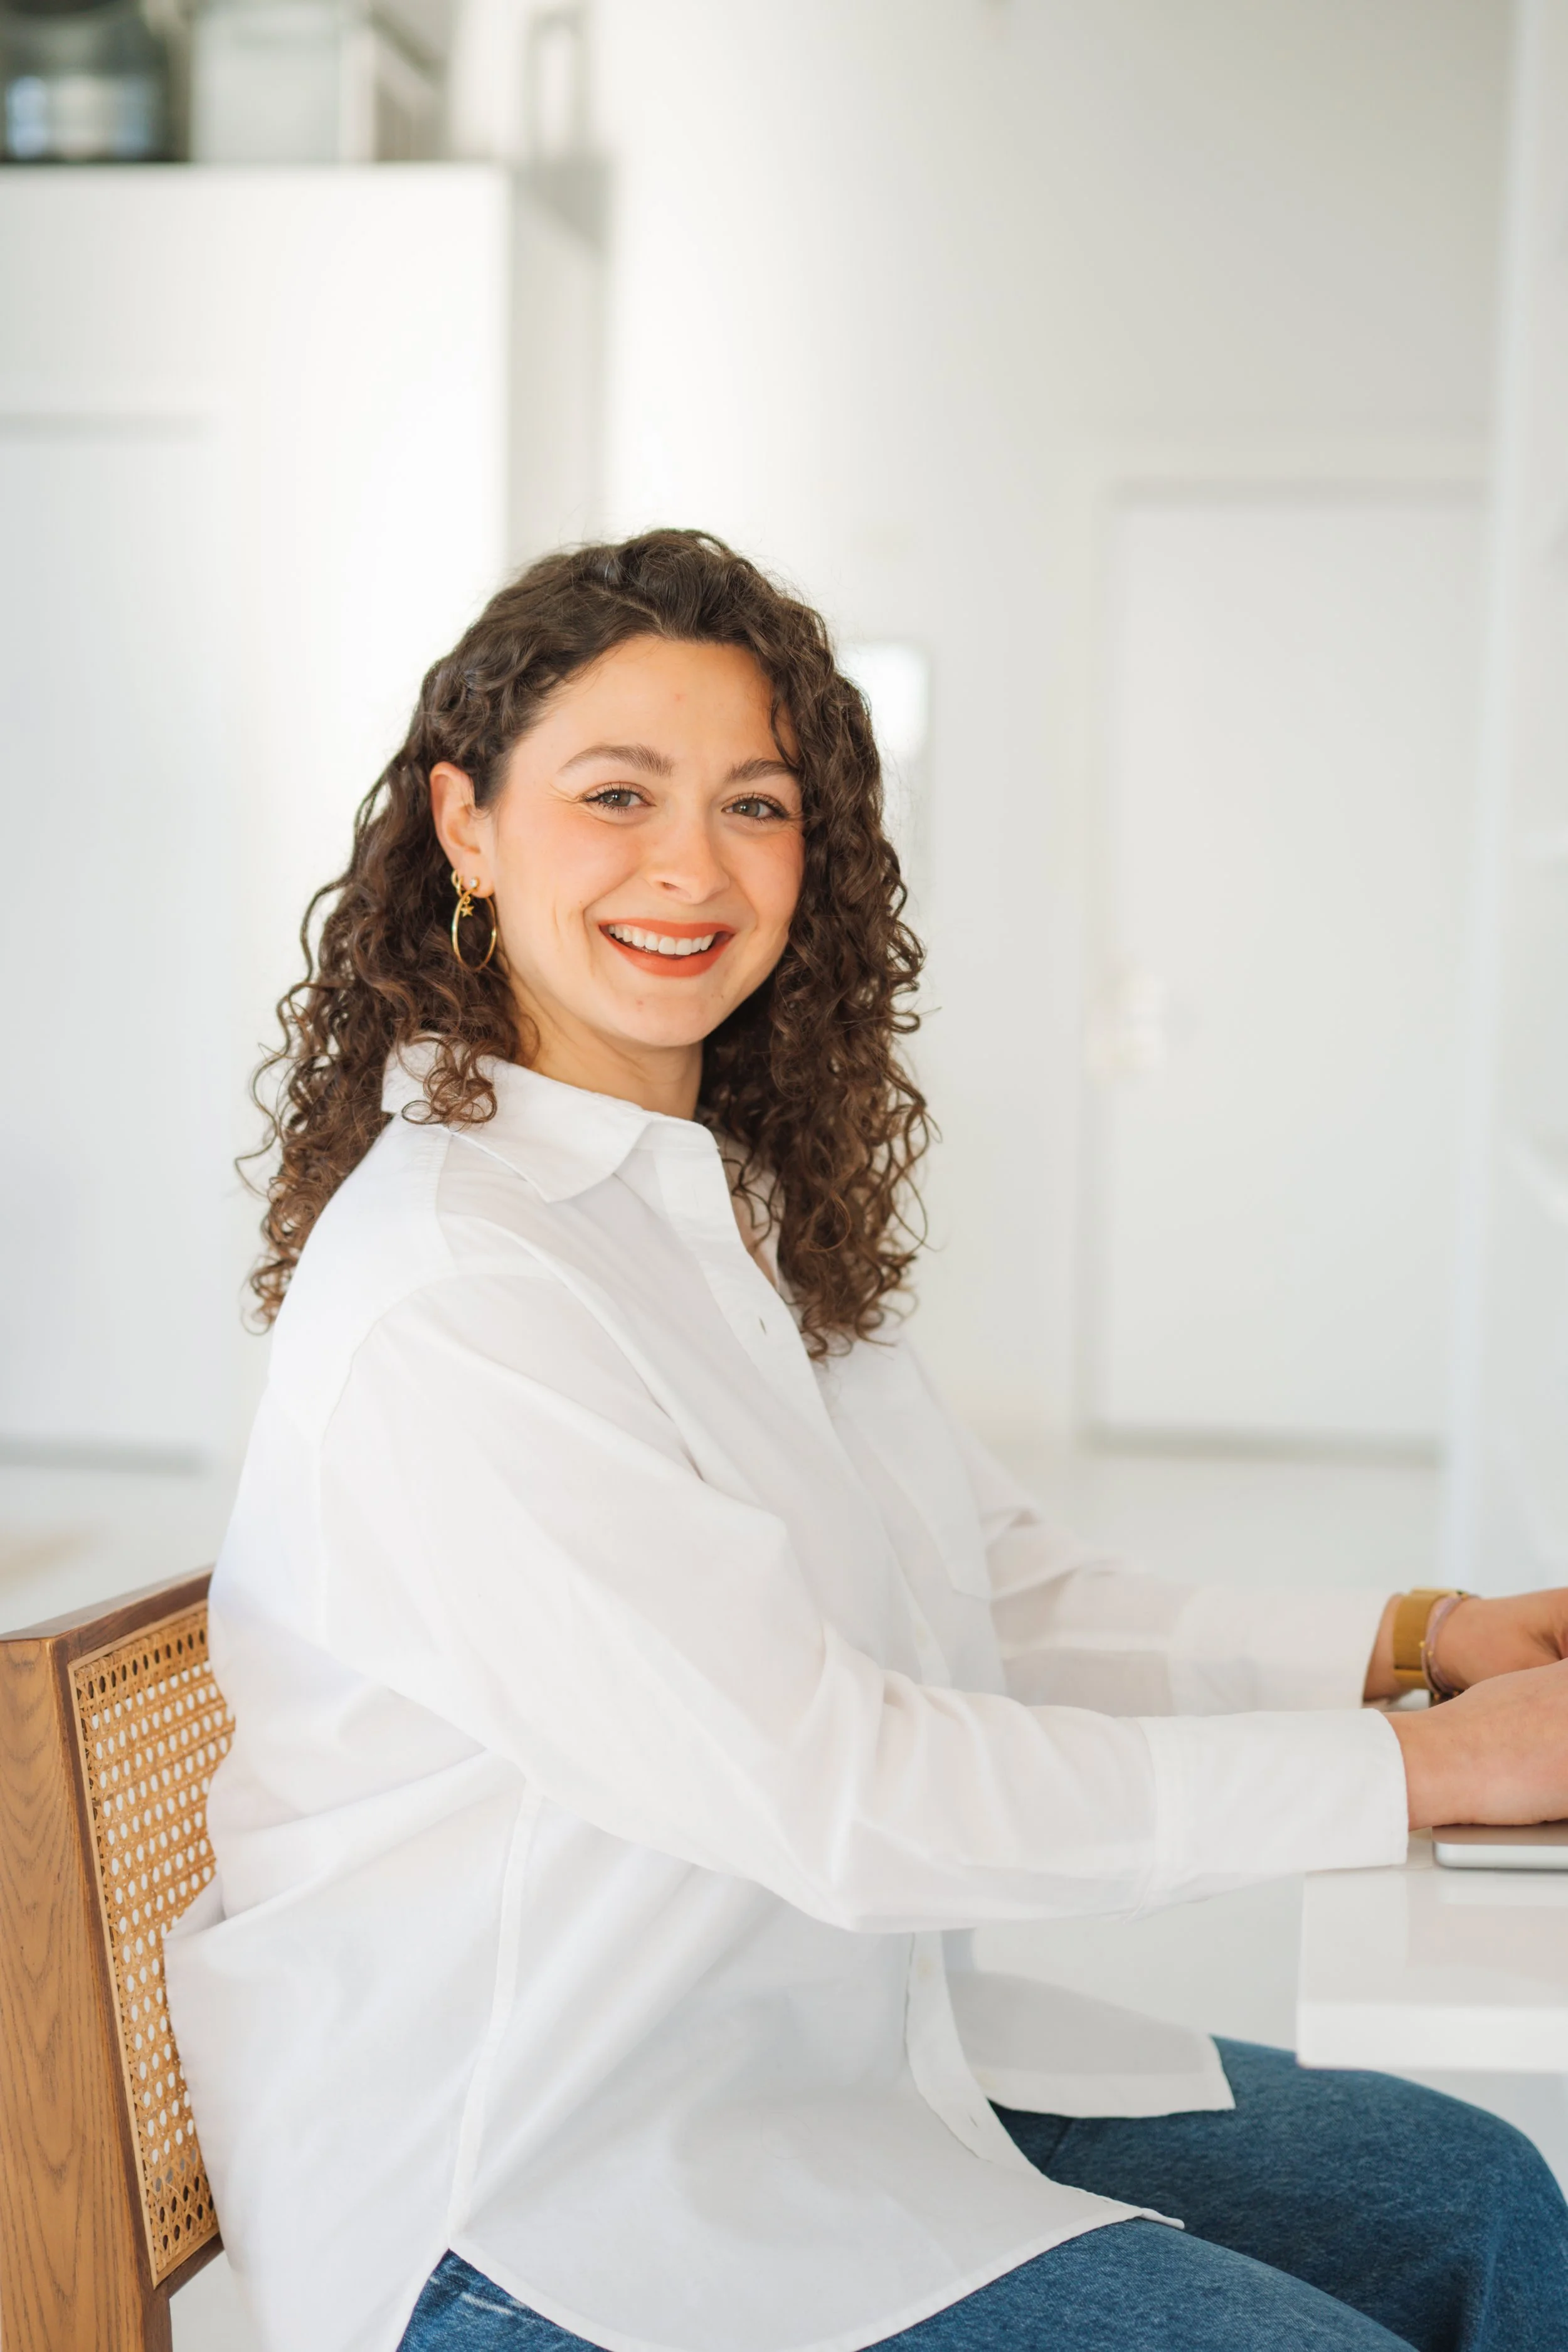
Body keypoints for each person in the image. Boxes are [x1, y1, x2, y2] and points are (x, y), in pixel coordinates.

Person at [167, 531, 1568, 2352]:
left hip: (816, 2061)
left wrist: (1417, 1642)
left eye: (754, 802)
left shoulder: (716, 1208)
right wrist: (1420, 1775)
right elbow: (850, 1790)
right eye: (615, 793)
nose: (691, 865)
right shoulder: (459, 1285)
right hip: (526, 2194)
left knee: (1474, 2201)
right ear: (465, 825)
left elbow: (996, 1592)